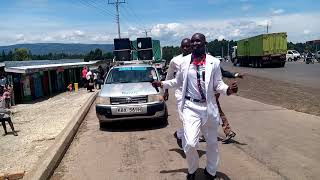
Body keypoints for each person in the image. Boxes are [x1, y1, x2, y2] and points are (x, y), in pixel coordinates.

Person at [153, 33, 238, 179]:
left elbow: (217, 83)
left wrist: (228, 90)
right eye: (193, 41)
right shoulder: (184, 62)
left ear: (205, 43)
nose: (195, 44)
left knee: (212, 143)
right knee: (191, 143)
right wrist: (162, 84)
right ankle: (192, 169)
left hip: (209, 108)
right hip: (191, 107)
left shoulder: (214, 62)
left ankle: (210, 171)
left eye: (198, 41)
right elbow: (177, 81)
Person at [164, 38, 192, 148]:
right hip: (181, 94)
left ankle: (179, 134)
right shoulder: (175, 60)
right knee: (185, 120)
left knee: (195, 121)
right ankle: (187, 145)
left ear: (191, 46)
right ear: (180, 47)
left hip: (195, 96)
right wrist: (166, 91)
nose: (185, 48)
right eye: (183, 46)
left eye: (188, 46)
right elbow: (169, 76)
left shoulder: (197, 59)